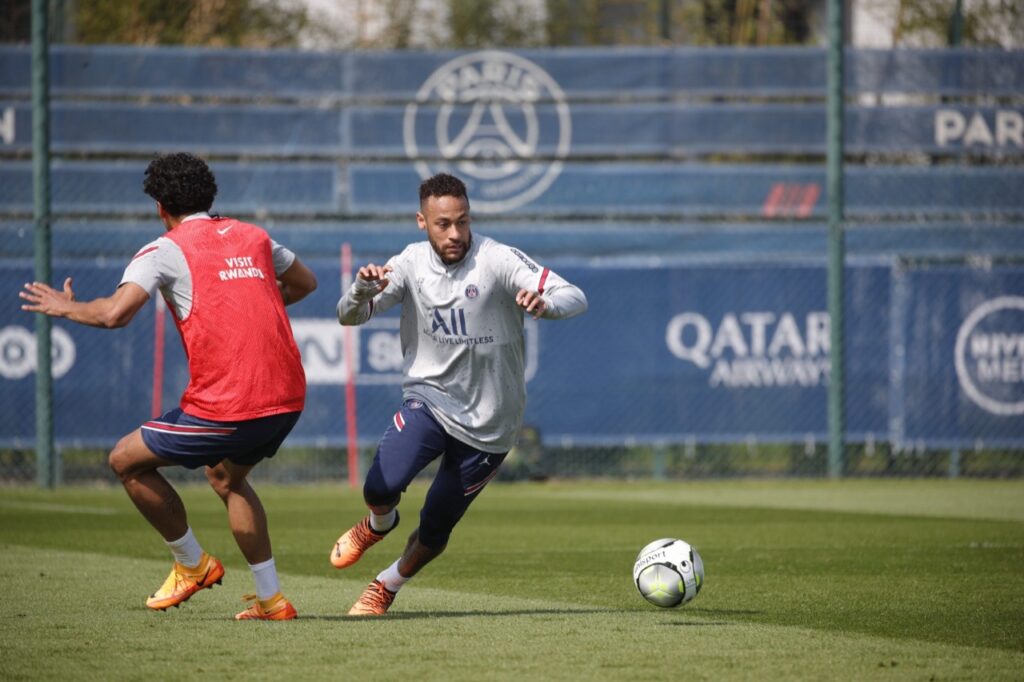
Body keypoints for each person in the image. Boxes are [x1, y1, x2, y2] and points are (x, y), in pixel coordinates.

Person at [20, 152, 316, 621]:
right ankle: (273, 600)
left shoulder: (163, 249)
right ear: (210, 194)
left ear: (160, 206)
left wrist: (65, 307)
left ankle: (191, 564)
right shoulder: (254, 236)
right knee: (226, 477)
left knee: (125, 460)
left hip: (230, 406)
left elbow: (115, 313)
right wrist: (249, 298)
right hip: (287, 399)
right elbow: (305, 282)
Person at [331, 172, 587, 616]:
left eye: (463, 222)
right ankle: (379, 522)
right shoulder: (410, 263)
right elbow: (349, 316)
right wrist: (361, 290)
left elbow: (574, 295)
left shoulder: (497, 258)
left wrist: (547, 305)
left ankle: (385, 585)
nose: (455, 233)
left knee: (435, 528)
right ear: (421, 222)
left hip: (491, 422)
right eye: (443, 224)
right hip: (429, 401)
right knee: (381, 485)